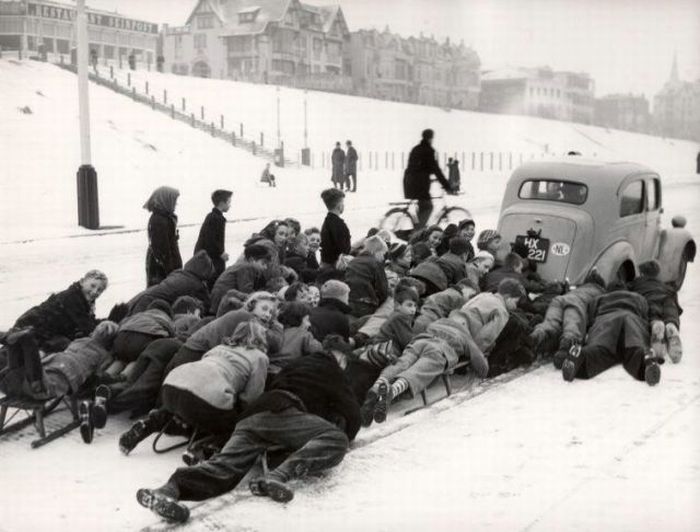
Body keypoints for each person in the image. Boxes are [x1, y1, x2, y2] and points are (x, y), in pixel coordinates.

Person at [135, 337, 360, 524]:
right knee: (335, 438)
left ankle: (168, 491)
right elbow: (353, 415)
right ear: (339, 357)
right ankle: (278, 476)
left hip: (252, 417)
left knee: (223, 468)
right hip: (285, 412)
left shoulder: (297, 364)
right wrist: (344, 434)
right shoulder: (333, 369)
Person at [118, 321, 270, 456]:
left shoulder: (219, 347)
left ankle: (148, 424)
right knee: (233, 428)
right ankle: (203, 449)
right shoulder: (259, 357)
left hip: (173, 383)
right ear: (261, 338)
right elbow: (251, 397)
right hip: (207, 396)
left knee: (181, 406)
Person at [561, 282, 662, 386]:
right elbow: (644, 315)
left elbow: (591, 318)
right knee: (634, 349)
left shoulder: (599, 299)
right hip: (631, 319)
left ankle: (581, 357)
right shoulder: (638, 297)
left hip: (606, 321)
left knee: (600, 350)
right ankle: (646, 359)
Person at [2, 270, 108, 357]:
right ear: (82, 282)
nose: (95, 292)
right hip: (33, 325)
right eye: (92, 286)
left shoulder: (84, 300)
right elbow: (86, 326)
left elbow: (87, 321)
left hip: (44, 329)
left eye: (99, 290)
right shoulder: (72, 297)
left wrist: (104, 322)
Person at [530, 269, 606, 367]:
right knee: (572, 326)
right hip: (577, 303)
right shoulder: (601, 293)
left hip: (559, 299)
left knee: (550, 323)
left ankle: (535, 336)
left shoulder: (578, 289)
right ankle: (565, 350)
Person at [127, 251, 214, 316]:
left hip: (139, 299)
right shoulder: (196, 285)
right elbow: (208, 306)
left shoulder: (179, 273)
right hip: (147, 307)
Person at [628, 260, 683, 363]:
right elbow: (674, 296)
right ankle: (671, 325)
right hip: (667, 299)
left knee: (652, 315)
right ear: (657, 274)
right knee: (671, 314)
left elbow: (626, 293)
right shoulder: (664, 285)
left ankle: (655, 325)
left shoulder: (636, 283)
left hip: (648, 299)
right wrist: (676, 311)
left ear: (642, 273)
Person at [403, 129, 453, 230]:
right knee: (428, 207)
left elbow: (420, 167)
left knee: (423, 207)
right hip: (418, 185)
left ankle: (418, 229)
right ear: (430, 138)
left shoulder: (416, 148)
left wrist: (430, 178)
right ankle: (417, 233)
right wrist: (447, 185)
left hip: (410, 181)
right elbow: (435, 169)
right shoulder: (428, 150)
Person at [209, 244, 270, 315]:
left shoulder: (241, 265)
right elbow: (246, 290)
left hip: (219, 298)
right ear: (252, 260)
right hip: (223, 300)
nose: (265, 267)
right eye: (263, 263)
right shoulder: (247, 268)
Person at [144, 186, 182, 287]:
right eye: (174, 201)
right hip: (161, 270)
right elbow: (163, 251)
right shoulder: (159, 221)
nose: (176, 204)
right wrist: (172, 273)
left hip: (163, 268)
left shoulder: (165, 218)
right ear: (166, 200)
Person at [194, 190, 233, 287]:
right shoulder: (216, 218)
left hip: (209, 257)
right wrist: (220, 253)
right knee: (215, 283)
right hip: (211, 259)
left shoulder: (213, 216)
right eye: (229, 202)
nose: (230, 205)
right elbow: (210, 240)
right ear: (222, 203)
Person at [345, 236, 390, 319]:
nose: (383, 257)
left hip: (348, 302)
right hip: (366, 306)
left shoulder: (353, 261)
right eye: (383, 254)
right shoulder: (376, 264)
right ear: (377, 252)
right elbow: (383, 290)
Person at [320, 189, 351, 269]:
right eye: (343, 203)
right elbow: (344, 250)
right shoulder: (339, 225)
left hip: (327, 265)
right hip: (335, 267)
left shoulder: (327, 222)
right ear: (339, 205)